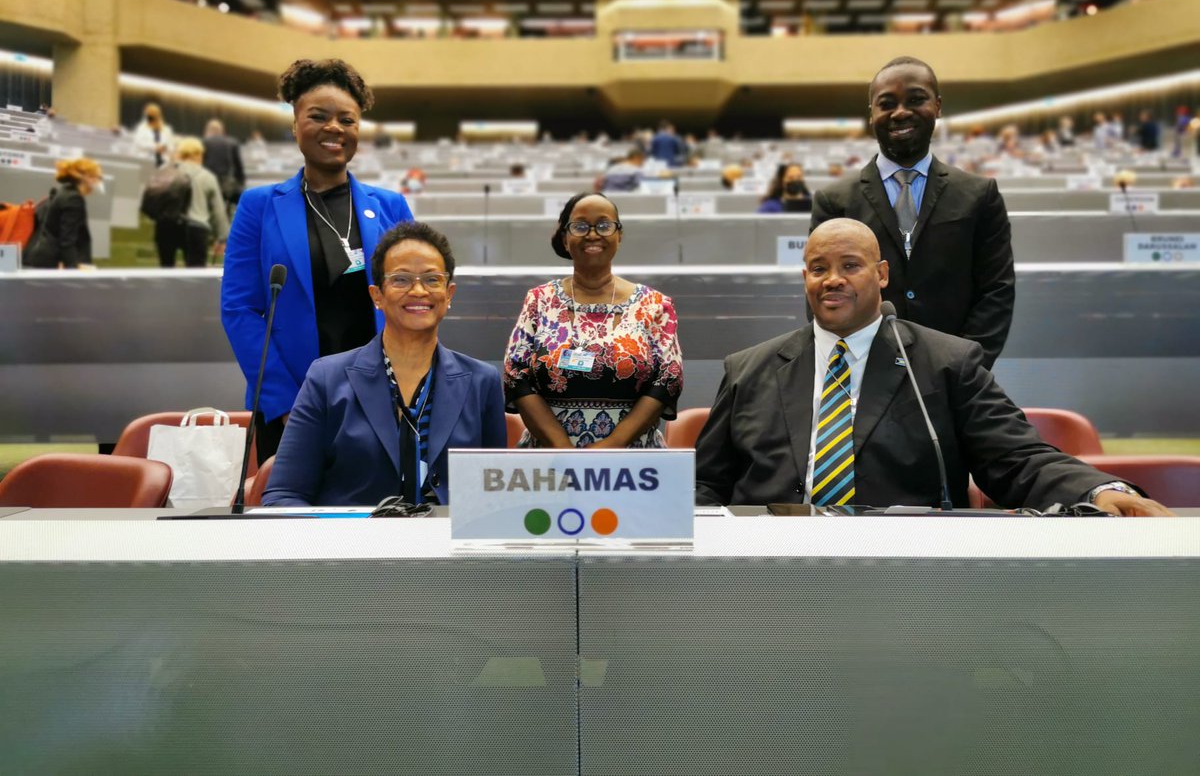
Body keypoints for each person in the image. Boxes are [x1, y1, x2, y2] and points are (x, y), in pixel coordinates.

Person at [694, 219, 1171, 516]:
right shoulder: (748, 369)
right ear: (805, 279)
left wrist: (1098, 490)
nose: (833, 279)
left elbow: (1016, 458)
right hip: (767, 571)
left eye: (850, 265)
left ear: (881, 274)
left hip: (906, 575)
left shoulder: (947, 363)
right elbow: (707, 484)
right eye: (819, 268)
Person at [221, 58, 413, 465]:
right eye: (318, 116)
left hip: (383, 398)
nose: (334, 128)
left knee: (383, 518)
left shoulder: (391, 206)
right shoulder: (259, 206)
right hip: (291, 401)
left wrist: (407, 387)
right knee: (292, 520)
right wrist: (286, 402)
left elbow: (416, 303)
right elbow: (240, 309)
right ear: (295, 125)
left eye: (347, 120)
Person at [262, 223, 506, 507]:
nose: (418, 291)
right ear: (377, 295)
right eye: (401, 280)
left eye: (432, 280)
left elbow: (493, 496)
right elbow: (284, 494)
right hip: (355, 545)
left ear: (449, 294)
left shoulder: (482, 381)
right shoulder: (326, 379)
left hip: (445, 545)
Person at [810, 56, 1015, 369]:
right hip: (864, 377)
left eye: (916, 99)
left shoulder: (979, 196)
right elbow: (824, 294)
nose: (901, 112)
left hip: (957, 375)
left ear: (938, 106)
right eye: (887, 103)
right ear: (872, 114)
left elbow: (995, 291)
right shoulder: (834, 200)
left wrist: (966, 367)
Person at [503, 192, 683, 448]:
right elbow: (515, 374)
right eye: (579, 226)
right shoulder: (539, 300)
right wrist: (562, 447)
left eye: (604, 225)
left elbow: (669, 378)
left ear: (619, 236)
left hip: (634, 458)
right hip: (548, 456)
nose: (592, 234)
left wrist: (611, 445)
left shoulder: (655, 305)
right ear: (565, 239)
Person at [157, 138, 228, 268]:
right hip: (196, 228)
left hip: (166, 226)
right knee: (196, 274)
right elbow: (218, 210)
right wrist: (222, 237)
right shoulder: (207, 177)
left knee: (165, 271)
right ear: (197, 154)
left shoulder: (166, 170)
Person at [23, 158, 103, 269]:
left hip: (43, 257)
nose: (99, 181)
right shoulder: (73, 200)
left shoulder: (65, 191)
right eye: (98, 177)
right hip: (48, 262)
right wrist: (72, 270)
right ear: (86, 178)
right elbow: (67, 240)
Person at [202, 119, 246, 214]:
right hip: (227, 185)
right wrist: (241, 183)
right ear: (222, 130)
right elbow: (238, 167)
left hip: (209, 183)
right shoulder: (232, 143)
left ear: (208, 130)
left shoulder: (204, 142)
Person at [132, 103, 175, 168]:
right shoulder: (141, 128)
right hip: (145, 161)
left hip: (163, 162)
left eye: (154, 113)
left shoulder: (166, 129)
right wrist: (154, 147)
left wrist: (165, 148)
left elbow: (171, 146)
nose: (152, 116)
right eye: (150, 113)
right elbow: (138, 143)